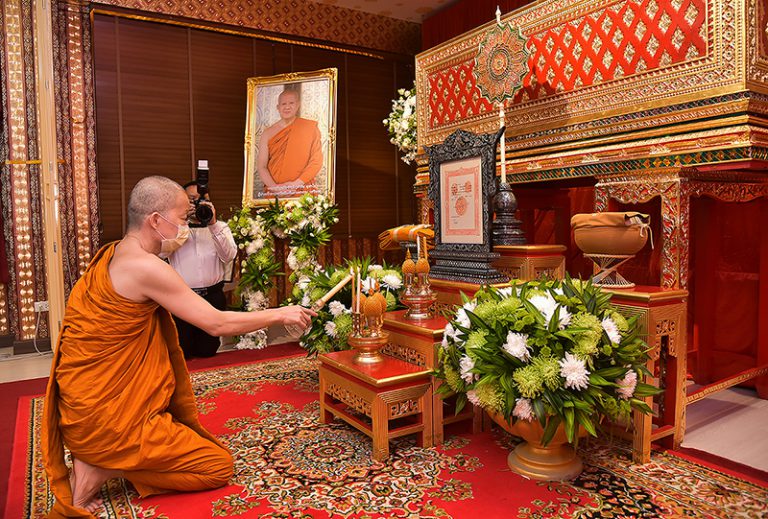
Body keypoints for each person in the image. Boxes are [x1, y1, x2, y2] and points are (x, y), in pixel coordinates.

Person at [42, 176, 315, 518]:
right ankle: (105, 466)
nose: (188, 226)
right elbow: (216, 323)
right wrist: (281, 313)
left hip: (84, 412)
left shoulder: (115, 252)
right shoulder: (146, 267)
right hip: (106, 422)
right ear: (156, 220)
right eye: (184, 218)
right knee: (217, 466)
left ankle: (100, 459)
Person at [168, 181, 237, 358]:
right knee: (184, 351)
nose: (196, 204)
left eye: (201, 199)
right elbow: (161, 251)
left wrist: (212, 224)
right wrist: (181, 221)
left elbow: (229, 255)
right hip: (183, 299)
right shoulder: (172, 229)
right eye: (191, 200)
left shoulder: (220, 227)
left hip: (212, 297)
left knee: (208, 351)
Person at [257, 88, 322, 196]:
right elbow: (261, 166)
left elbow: (316, 161)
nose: (287, 107)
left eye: (291, 103)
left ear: (298, 105)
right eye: (283, 104)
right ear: (278, 107)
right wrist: (275, 188)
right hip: (274, 192)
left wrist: (296, 184)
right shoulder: (267, 133)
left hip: (302, 190)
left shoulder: (309, 128)